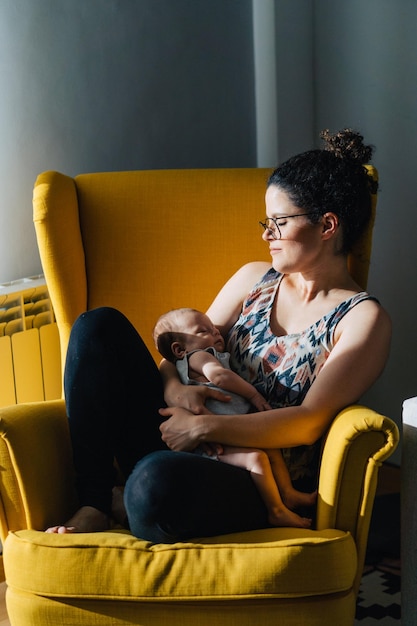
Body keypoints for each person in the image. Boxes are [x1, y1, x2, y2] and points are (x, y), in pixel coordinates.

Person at [46, 128, 391, 543]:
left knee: (154, 485)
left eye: (279, 223)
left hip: (252, 473)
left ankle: (134, 500)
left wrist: (204, 427)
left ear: (327, 225)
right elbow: (179, 348)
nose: (267, 234)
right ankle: (96, 504)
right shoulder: (253, 279)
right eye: (267, 222)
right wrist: (175, 389)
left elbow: (307, 423)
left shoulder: (361, 320)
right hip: (177, 432)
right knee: (96, 327)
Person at [153, 307, 315, 528]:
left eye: (213, 327)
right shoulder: (199, 356)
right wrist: (252, 393)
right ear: (179, 349)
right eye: (204, 331)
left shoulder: (195, 357)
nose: (217, 332)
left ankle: (287, 493)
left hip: (225, 430)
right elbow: (219, 377)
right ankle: (276, 511)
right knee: (256, 458)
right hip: (214, 441)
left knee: (270, 447)